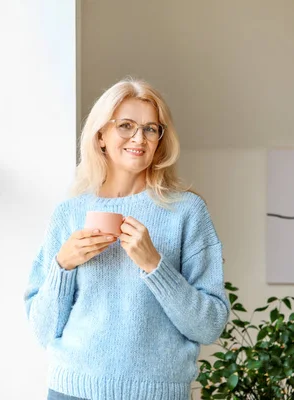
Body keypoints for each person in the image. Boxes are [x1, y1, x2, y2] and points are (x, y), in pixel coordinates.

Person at [24, 77, 229, 400]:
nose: (139, 137)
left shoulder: (187, 211)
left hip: (158, 394)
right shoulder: (69, 213)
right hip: (72, 391)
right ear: (101, 135)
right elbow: (42, 330)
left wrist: (155, 266)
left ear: (161, 140)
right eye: (126, 125)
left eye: (151, 129)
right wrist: (63, 266)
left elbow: (210, 326)